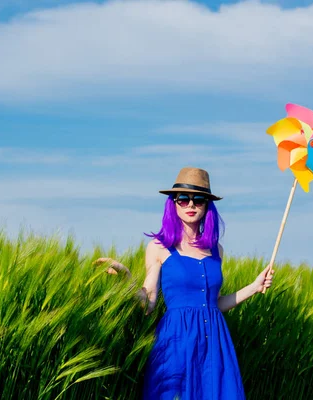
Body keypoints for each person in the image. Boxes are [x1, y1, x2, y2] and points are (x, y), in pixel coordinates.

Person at [98, 167, 273, 400]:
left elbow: (215, 303)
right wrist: (127, 278)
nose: (191, 205)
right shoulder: (159, 247)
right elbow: (148, 302)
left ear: (207, 205)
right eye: (183, 199)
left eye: (199, 199)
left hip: (215, 341)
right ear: (174, 203)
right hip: (176, 339)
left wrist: (254, 286)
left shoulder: (216, 250)